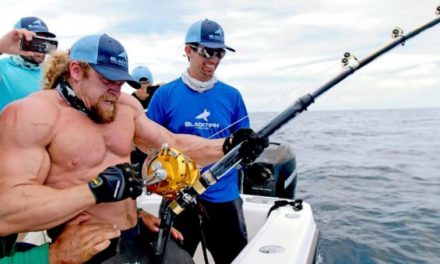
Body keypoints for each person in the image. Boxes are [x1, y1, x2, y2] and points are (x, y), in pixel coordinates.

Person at [0, 33, 267, 263]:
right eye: (107, 81)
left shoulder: (125, 108)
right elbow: (7, 212)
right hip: (87, 246)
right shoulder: (32, 115)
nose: (115, 92)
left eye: (120, 83)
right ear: (77, 71)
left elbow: (172, 143)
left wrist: (229, 146)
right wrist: (95, 190)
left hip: (135, 232)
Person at [0, 29, 122, 264]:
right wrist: (50, 256)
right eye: (107, 80)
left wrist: (128, 213)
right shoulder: (23, 117)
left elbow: (60, 179)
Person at [147, 19, 253, 264]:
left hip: (224, 197)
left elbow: (244, 144)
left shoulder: (232, 96)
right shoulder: (165, 95)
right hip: (179, 198)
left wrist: (252, 164)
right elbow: (149, 146)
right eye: (207, 52)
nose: (213, 59)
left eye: (220, 53)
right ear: (188, 50)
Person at [0, 16, 57, 111]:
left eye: (44, 42)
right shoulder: (3, 68)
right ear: (18, 41)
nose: (40, 49)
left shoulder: (53, 73)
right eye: (34, 42)